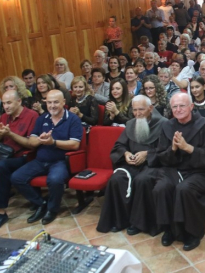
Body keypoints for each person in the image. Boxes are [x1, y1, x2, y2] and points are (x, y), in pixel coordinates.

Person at [154, 92, 205, 250]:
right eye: (174, 106)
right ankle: (169, 229)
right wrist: (173, 149)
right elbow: (162, 156)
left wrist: (187, 148)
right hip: (174, 169)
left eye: (182, 105)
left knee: (184, 189)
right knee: (161, 188)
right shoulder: (167, 126)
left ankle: (192, 233)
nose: (178, 109)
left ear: (191, 107)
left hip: (200, 172)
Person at [96, 95, 167, 236]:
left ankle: (140, 223)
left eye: (141, 109)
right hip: (132, 164)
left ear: (150, 108)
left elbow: (167, 151)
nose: (137, 114)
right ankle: (120, 220)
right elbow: (119, 146)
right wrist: (126, 154)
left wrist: (147, 154)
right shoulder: (130, 124)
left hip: (153, 165)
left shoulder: (163, 124)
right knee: (116, 179)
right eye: (135, 110)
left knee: (143, 180)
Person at [11, 90, 83, 225]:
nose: (52, 106)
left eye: (56, 102)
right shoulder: (42, 118)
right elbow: (31, 142)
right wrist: (40, 139)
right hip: (40, 160)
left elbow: (74, 144)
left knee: (55, 180)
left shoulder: (73, 119)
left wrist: (53, 142)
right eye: (49, 102)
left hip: (60, 161)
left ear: (63, 102)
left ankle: (52, 209)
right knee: (16, 177)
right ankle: (41, 203)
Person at [0, 90, 38, 228]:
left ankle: (2, 212)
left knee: (2, 166)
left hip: (25, 156)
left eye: (9, 103)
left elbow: (30, 144)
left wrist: (10, 133)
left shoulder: (32, 116)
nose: (6, 106)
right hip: (6, 154)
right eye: (4, 103)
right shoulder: (4, 117)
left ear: (19, 101)